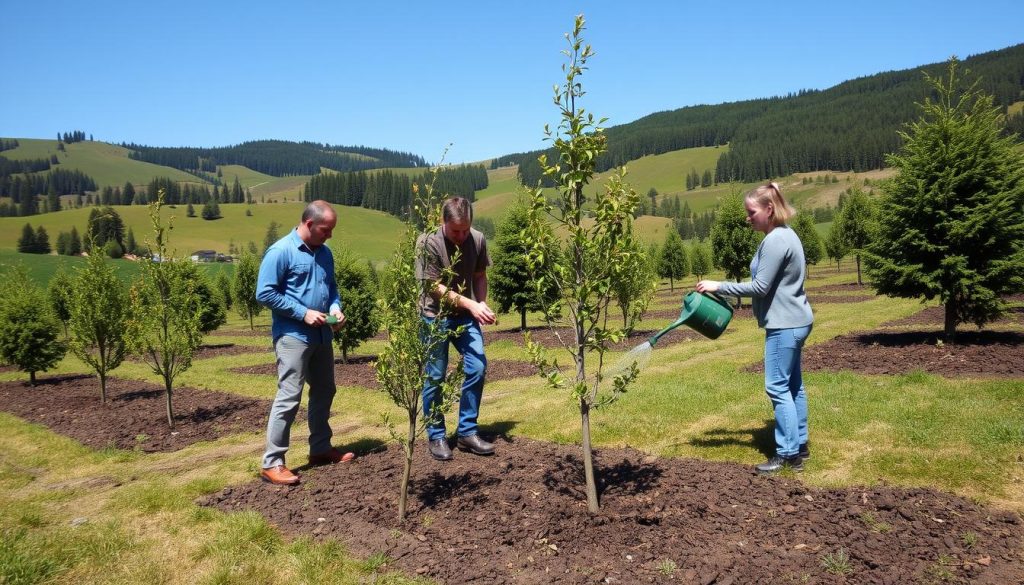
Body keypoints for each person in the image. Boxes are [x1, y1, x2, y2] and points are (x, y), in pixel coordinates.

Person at [696, 182, 814, 475]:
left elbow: (760, 287)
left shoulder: (775, 240)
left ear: (769, 209)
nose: (747, 218)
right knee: (793, 385)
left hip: (784, 324)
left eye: (751, 212)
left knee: (776, 385)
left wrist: (718, 286)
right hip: (797, 319)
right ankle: (800, 444)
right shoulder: (787, 234)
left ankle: (788, 454)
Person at [256, 200, 355, 485]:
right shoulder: (280, 252)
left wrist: (336, 308)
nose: (330, 235)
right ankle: (272, 462)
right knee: (289, 396)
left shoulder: (325, 253)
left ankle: (320, 448)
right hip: (293, 336)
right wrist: (303, 312)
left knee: (325, 390)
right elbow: (264, 293)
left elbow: (332, 288)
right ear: (309, 224)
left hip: (323, 334)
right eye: (326, 229)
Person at [417, 197, 497, 461]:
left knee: (477, 366)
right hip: (434, 316)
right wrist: (472, 304)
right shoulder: (427, 242)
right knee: (435, 376)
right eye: (456, 231)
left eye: (466, 230)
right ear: (444, 222)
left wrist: (481, 303)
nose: (462, 236)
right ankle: (437, 435)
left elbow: (479, 275)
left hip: (465, 316)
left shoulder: (477, 239)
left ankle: (467, 432)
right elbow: (433, 287)